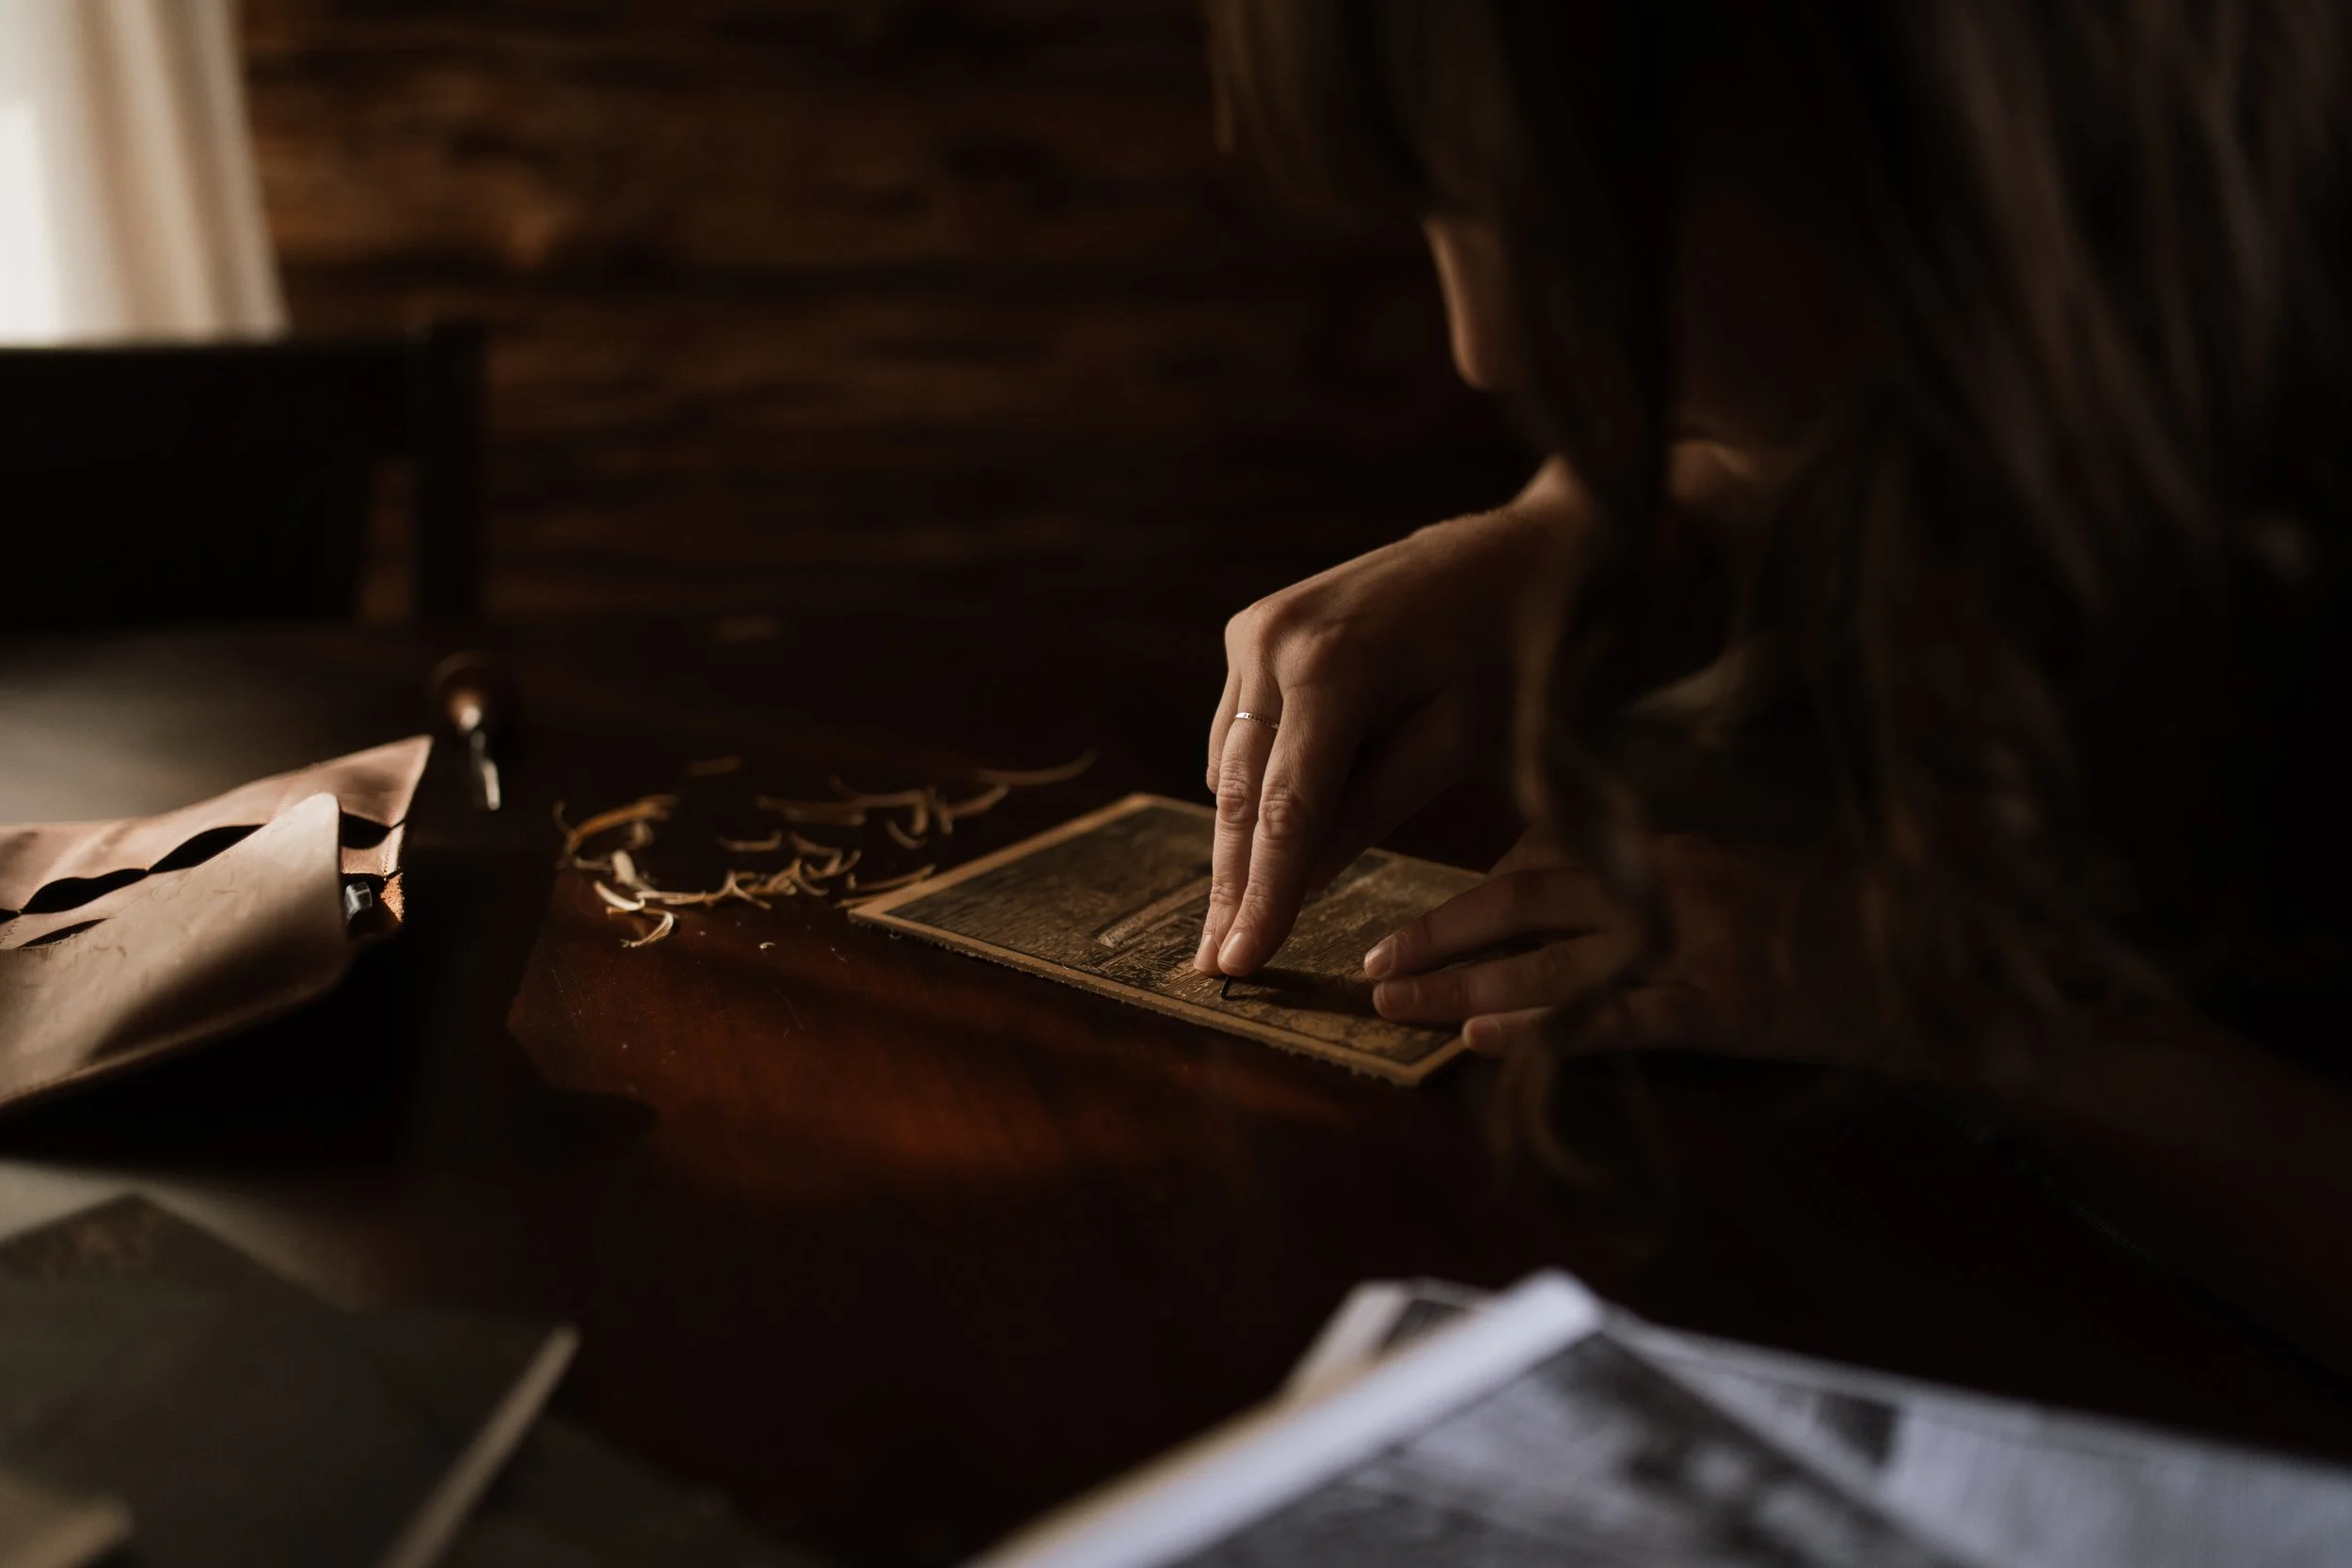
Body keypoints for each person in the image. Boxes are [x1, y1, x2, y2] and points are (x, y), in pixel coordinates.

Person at [1195, 0, 2352, 1373]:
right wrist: (1573, 539)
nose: (1483, 349)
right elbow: (1872, 427)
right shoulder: (2075, 228)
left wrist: (1920, 987)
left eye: (1560, 211)